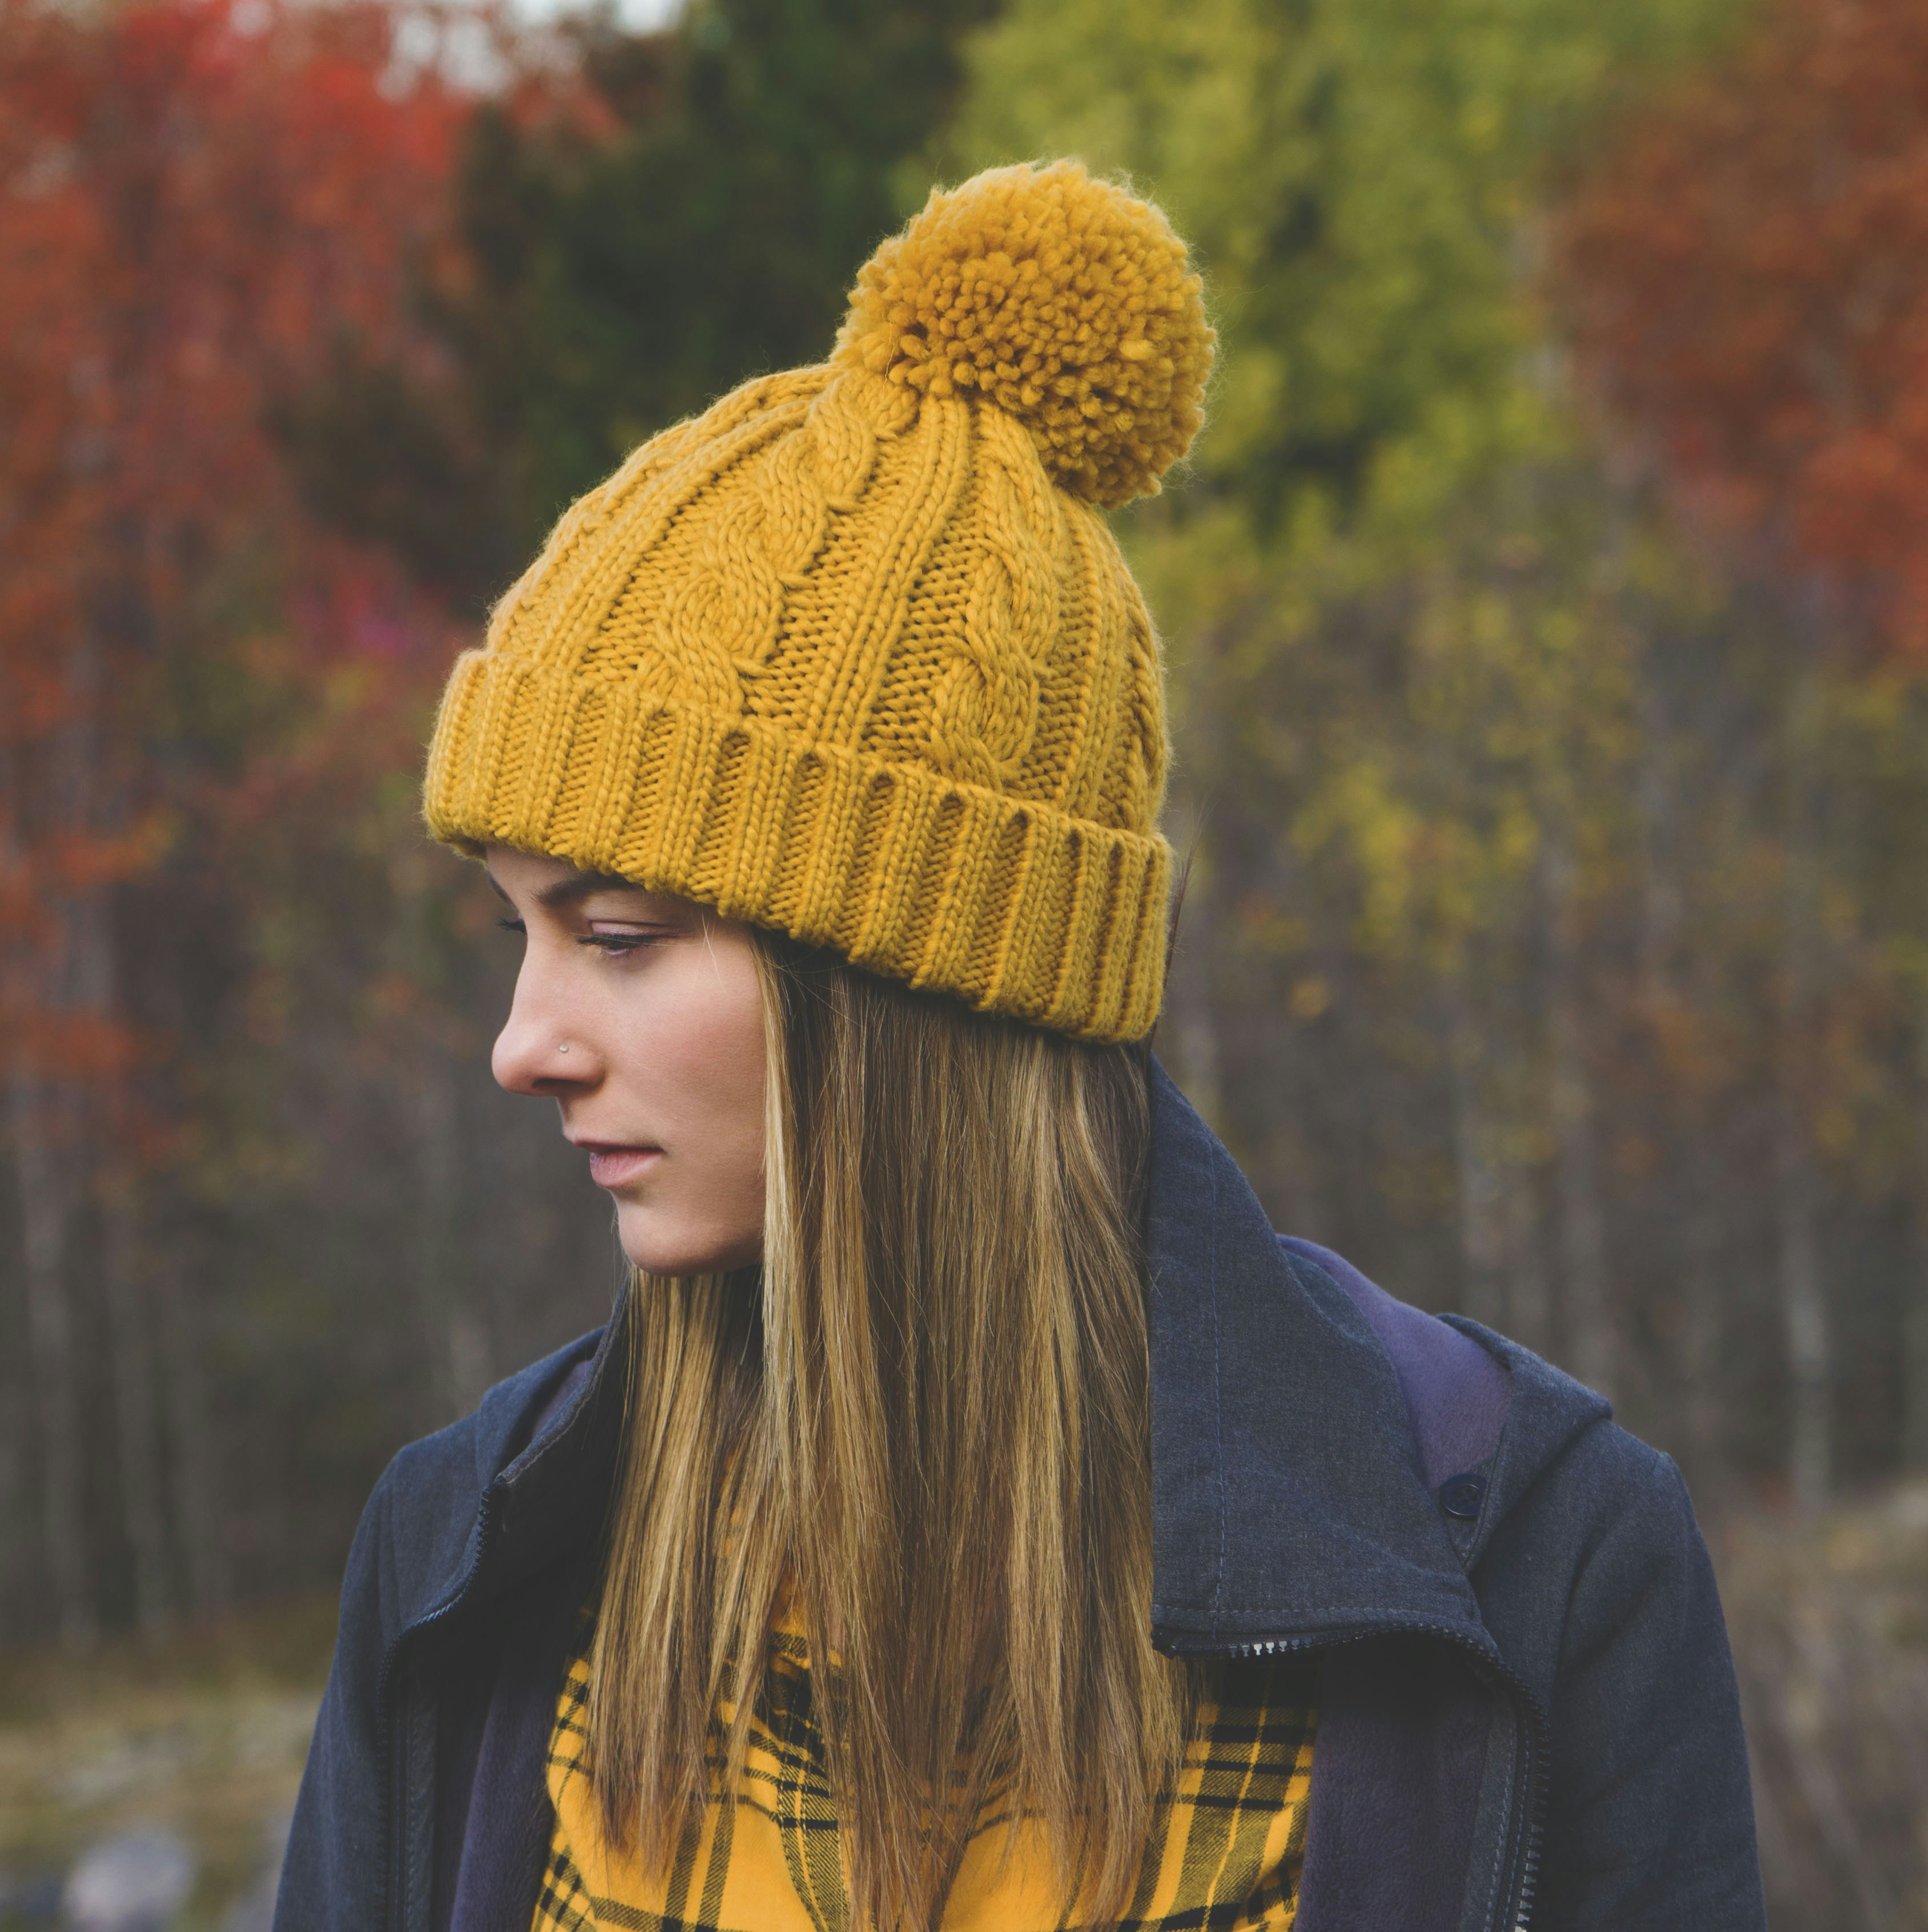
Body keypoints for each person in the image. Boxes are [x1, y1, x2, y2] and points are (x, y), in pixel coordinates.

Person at [274, 160, 1764, 1932]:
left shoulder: (1528, 1563)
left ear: (920, 980)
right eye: (514, 934)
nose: (523, 1045)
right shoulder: (468, 1566)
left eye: (616, 937)